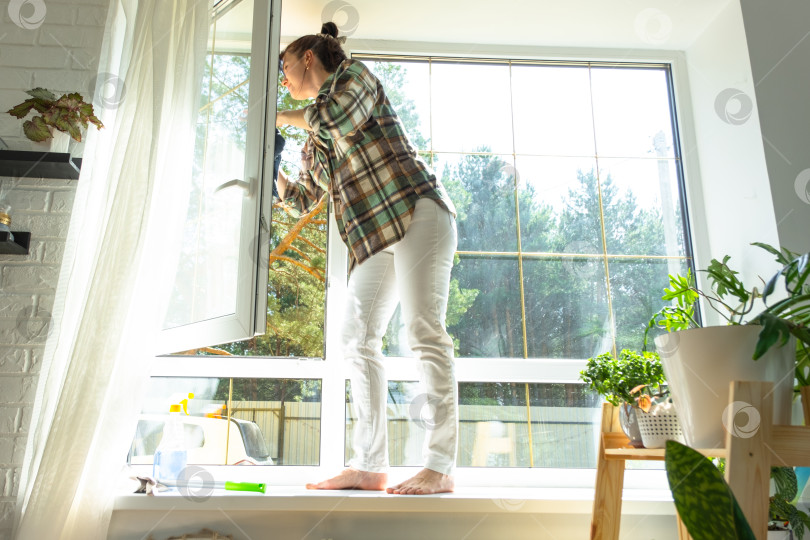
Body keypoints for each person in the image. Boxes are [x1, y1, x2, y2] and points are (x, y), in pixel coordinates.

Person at [275, 22, 458, 495]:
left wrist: (279, 117)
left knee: (423, 332)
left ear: (308, 58)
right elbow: (304, 196)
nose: (283, 80)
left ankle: (439, 466)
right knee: (355, 339)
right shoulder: (315, 135)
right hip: (375, 235)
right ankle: (369, 465)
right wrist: (269, 169)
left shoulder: (354, 78)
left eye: (285, 67)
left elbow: (336, 118)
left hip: (417, 211)